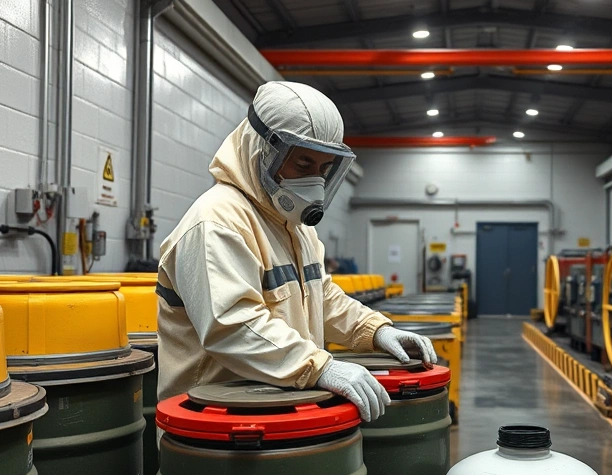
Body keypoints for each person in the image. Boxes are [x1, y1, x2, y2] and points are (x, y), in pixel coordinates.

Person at [155, 81, 437, 422]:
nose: (314, 182)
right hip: (216, 426)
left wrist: (375, 330)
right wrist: (319, 367)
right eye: (303, 166)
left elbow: (323, 297)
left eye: (323, 169)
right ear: (263, 150)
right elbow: (232, 325)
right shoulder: (217, 222)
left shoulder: (294, 226)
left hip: (280, 412)